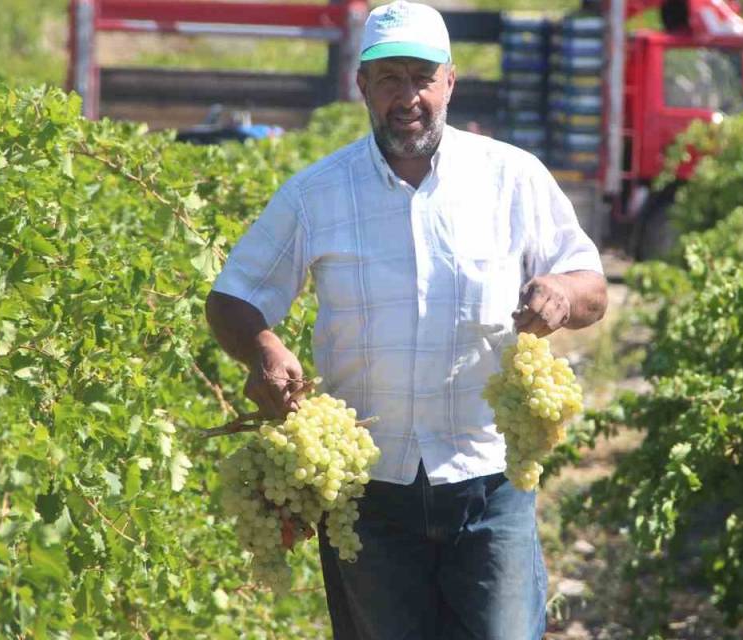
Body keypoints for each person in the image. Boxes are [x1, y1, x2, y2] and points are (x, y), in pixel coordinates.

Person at [204, 1, 608, 637]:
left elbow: (591, 287)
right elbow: (233, 296)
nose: (408, 97)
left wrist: (561, 290)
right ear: (361, 84)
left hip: (488, 484)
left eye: (422, 78)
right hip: (370, 498)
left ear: (450, 81)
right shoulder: (317, 193)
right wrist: (263, 351)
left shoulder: (511, 178)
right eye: (390, 78)